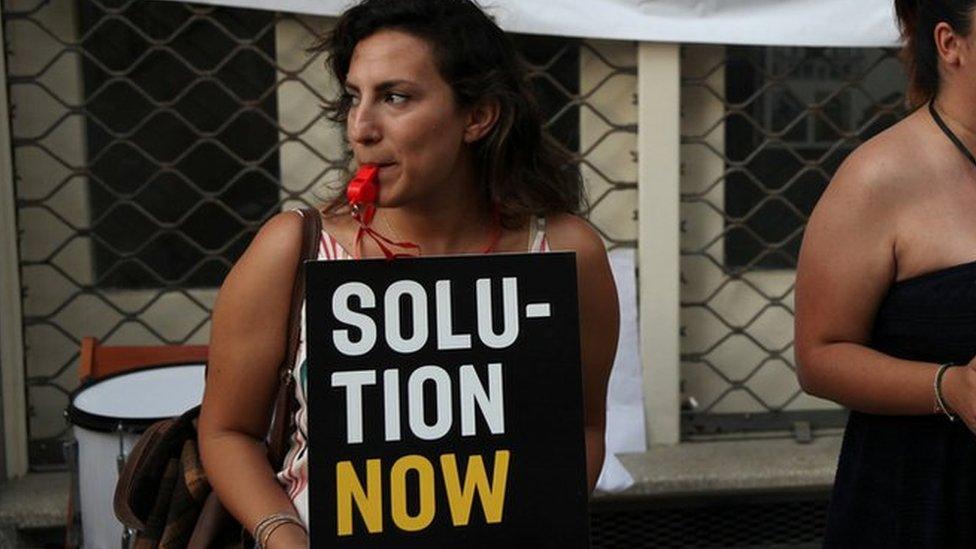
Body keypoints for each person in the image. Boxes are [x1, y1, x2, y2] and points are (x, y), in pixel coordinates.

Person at [197, 0, 620, 547]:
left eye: (395, 97)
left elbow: (582, 427)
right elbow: (227, 431)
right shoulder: (294, 251)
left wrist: (535, 517)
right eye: (354, 96)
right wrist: (284, 536)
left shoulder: (562, 253)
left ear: (477, 116)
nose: (360, 127)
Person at [795, 0, 976, 546]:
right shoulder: (878, 177)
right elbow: (820, 356)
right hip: (925, 499)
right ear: (950, 44)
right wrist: (951, 387)